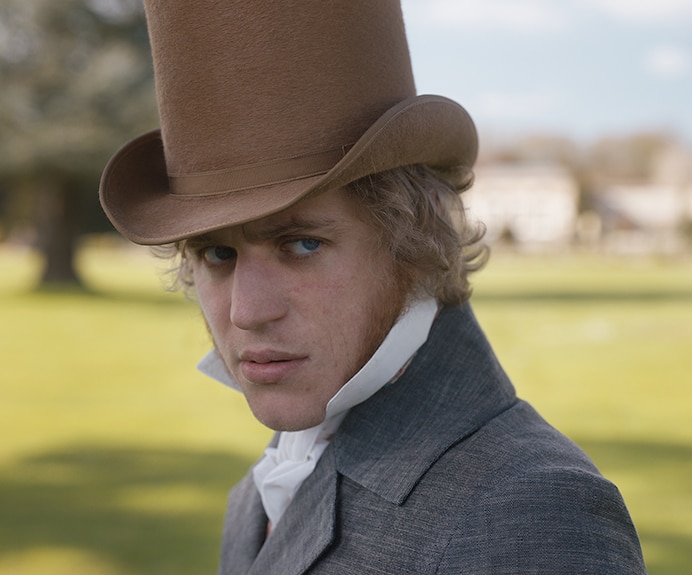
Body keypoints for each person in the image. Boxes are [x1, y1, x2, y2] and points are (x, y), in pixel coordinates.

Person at [99, 1, 648, 573]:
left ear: (413, 242)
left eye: (302, 244)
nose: (246, 312)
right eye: (217, 253)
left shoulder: (530, 510)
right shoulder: (273, 477)